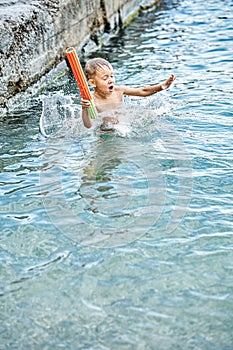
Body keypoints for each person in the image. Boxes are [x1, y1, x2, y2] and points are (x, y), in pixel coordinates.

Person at [80, 57, 175, 130]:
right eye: (105, 78)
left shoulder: (119, 91)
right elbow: (88, 125)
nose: (110, 81)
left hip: (123, 126)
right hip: (105, 132)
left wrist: (162, 86)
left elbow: (143, 91)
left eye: (112, 76)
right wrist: (85, 109)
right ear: (93, 83)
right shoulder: (92, 100)